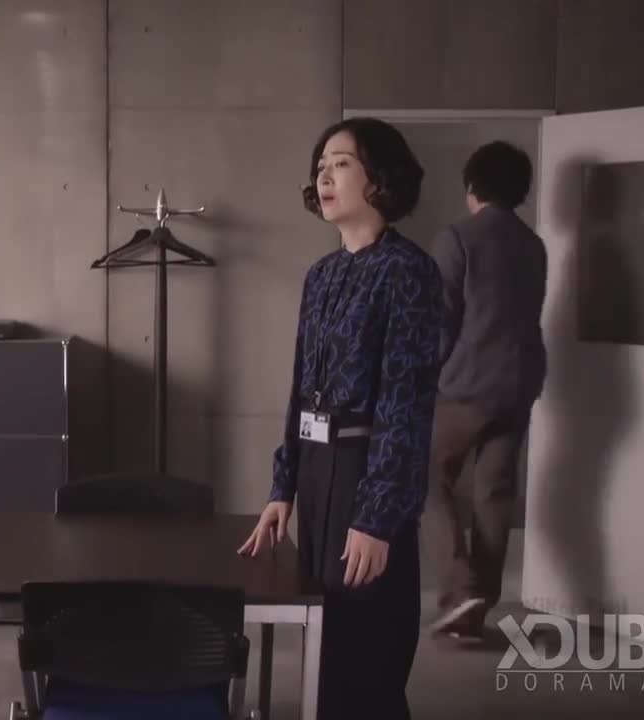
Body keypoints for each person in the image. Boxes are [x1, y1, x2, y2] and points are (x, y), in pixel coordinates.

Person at [239, 117, 443, 720]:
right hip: (316, 472)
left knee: (367, 654)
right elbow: (300, 388)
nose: (325, 176)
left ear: (379, 178)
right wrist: (283, 486)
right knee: (326, 648)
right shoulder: (322, 274)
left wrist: (377, 517)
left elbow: (406, 403)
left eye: (342, 164)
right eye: (321, 166)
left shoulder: (408, 270)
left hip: (368, 475)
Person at [424, 140, 547, 641]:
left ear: (471, 185)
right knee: (494, 492)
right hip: (520, 383)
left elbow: (441, 321)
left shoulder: (458, 238)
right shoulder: (533, 244)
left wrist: (421, 376)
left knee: (421, 473)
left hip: (468, 384)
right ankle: (474, 610)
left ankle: (460, 588)